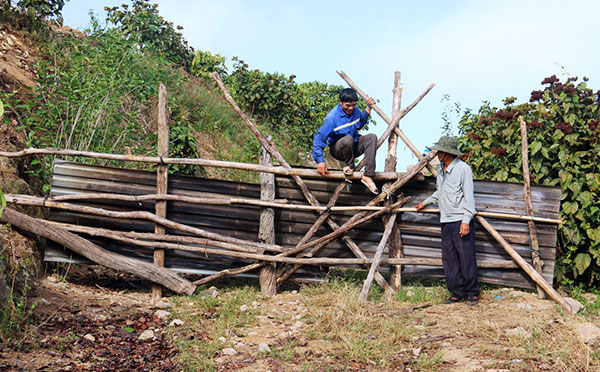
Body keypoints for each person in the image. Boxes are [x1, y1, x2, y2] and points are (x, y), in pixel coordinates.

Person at [414, 135, 480, 305]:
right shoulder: (441, 170)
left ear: (448, 153)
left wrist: (466, 220)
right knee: (449, 259)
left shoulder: (463, 169)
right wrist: (425, 203)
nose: (437, 154)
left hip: (460, 219)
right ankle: (456, 292)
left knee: (466, 257)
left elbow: (469, 197)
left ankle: (472, 293)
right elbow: (440, 192)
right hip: (446, 220)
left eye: (440, 151)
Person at [312, 88, 379, 194]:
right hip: (338, 150)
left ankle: (368, 175)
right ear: (340, 102)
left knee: (372, 137)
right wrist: (320, 161)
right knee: (348, 139)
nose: (351, 108)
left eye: (353, 105)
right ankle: (349, 166)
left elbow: (360, 123)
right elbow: (319, 139)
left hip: (353, 147)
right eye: (347, 105)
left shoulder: (355, 110)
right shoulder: (332, 118)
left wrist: (368, 107)